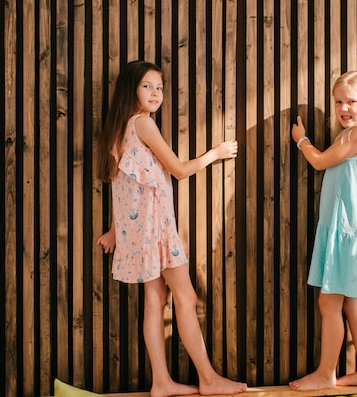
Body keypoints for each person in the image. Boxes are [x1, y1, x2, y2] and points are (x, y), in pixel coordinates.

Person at [96, 60, 247, 397]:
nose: (156, 93)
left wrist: (115, 231)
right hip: (157, 228)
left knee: (155, 299)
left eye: (160, 87)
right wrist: (215, 153)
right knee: (186, 296)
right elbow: (177, 169)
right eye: (148, 86)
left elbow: (124, 188)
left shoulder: (117, 128)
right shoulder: (143, 124)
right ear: (131, 89)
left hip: (139, 231)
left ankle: (162, 382)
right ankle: (207, 380)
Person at [290, 70, 357, 390]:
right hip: (356, 236)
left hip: (345, 233)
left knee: (329, 303)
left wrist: (301, 140)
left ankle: (325, 374)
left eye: (351, 101)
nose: (344, 108)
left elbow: (319, 162)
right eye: (338, 102)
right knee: (351, 303)